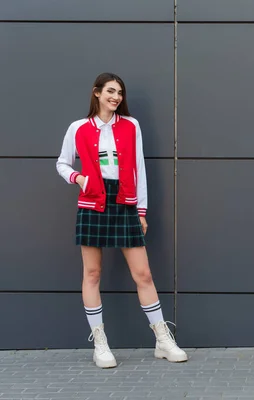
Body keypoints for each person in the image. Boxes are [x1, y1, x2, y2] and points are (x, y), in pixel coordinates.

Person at [56, 72, 187, 368]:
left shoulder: (131, 125)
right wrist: (78, 178)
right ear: (97, 93)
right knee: (92, 274)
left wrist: (141, 210)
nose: (116, 97)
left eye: (120, 93)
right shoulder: (78, 128)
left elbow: (138, 167)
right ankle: (100, 343)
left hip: (125, 201)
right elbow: (62, 163)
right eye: (111, 91)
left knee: (144, 274)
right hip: (92, 202)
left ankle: (162, 340)